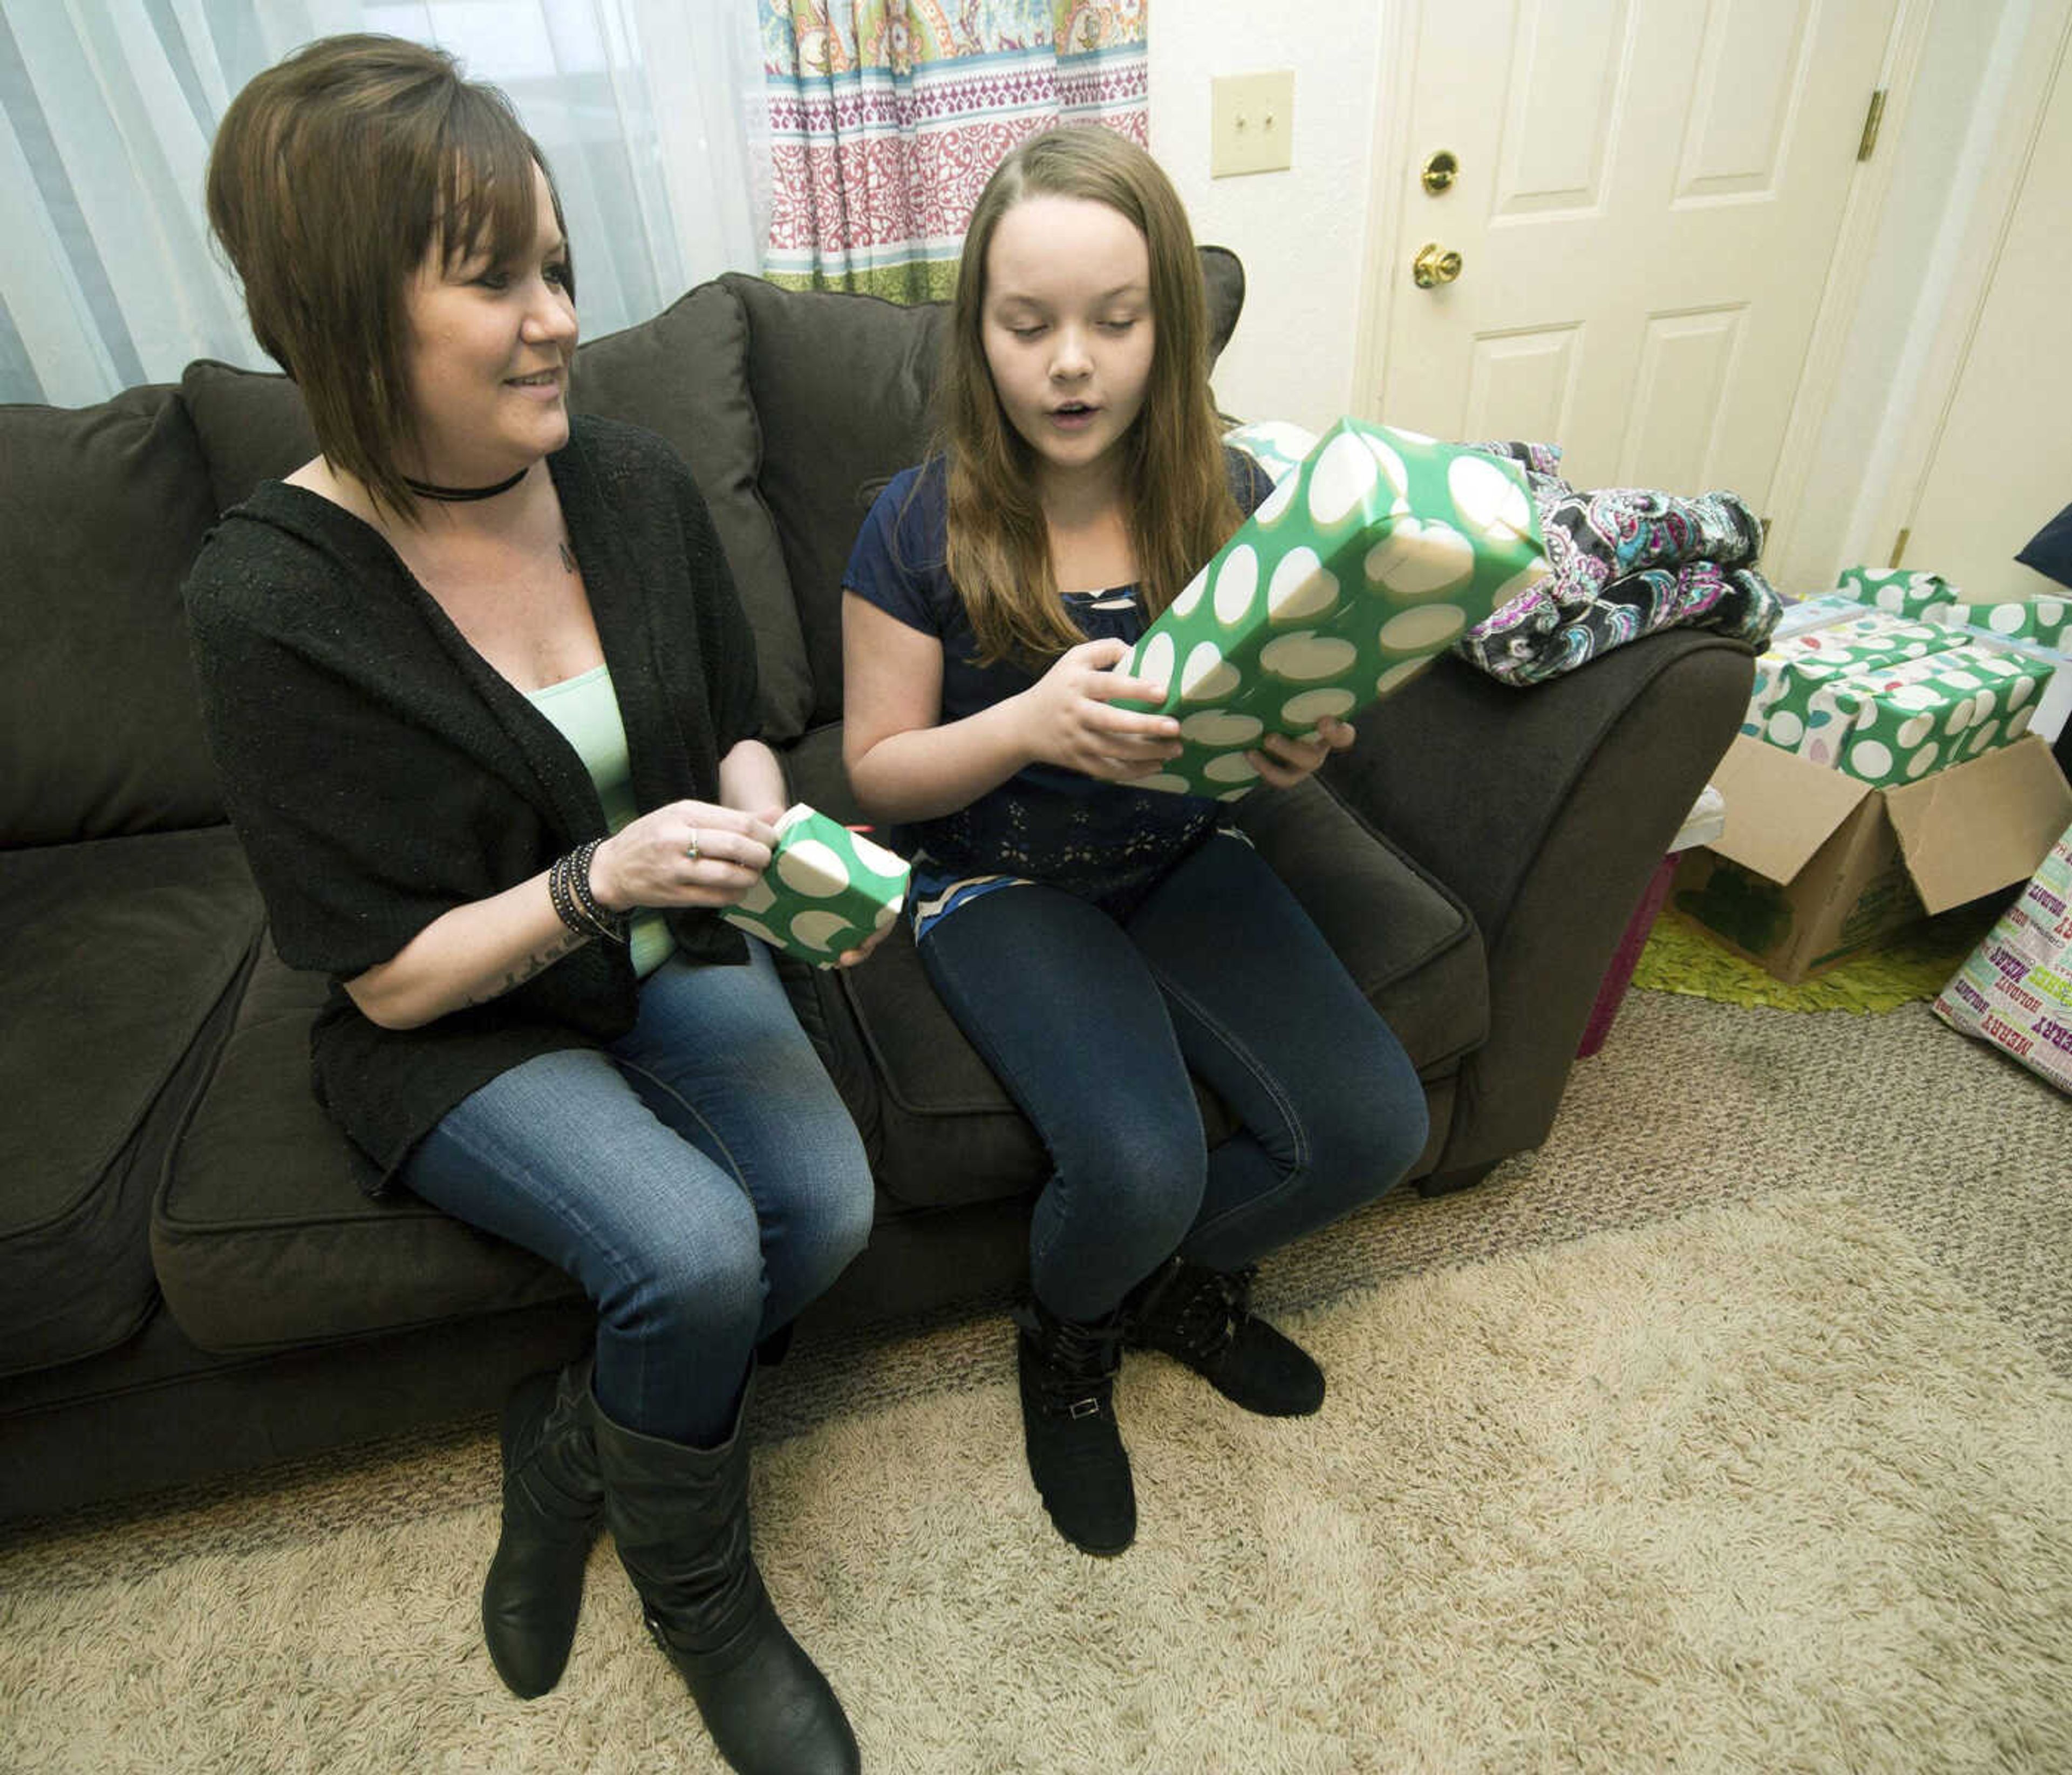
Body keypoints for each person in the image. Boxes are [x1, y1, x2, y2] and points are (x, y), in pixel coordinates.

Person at [187, 36, 872, 1775]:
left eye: (556, 264)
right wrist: (596, 878)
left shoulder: (632, 487)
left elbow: (732, 724)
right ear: (345, 319)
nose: (559, 314)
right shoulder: (268, 599)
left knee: (829, 1206)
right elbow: (391, 987)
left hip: (666, 943)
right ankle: (700, 1591)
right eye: (495, 279)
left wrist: (768, 835)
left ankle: (571, 1440)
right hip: (465, 1016)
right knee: (694, 1250)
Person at [842, 127, 1430, 1558]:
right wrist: (1030, 724)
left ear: (1169, 322)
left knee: (1374, 1129)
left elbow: (1271, 710)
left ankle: (1158, 1284)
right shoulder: (913, 523)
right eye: (1028, 324)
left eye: (1114, 322)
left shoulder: (1223, 497)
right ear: (976, 330)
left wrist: (1291, 737)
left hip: (1183, 853)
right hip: (997, 880)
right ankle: (1072, 1328)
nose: (1072, 364)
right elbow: (879, 768)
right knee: (1138, 1162)